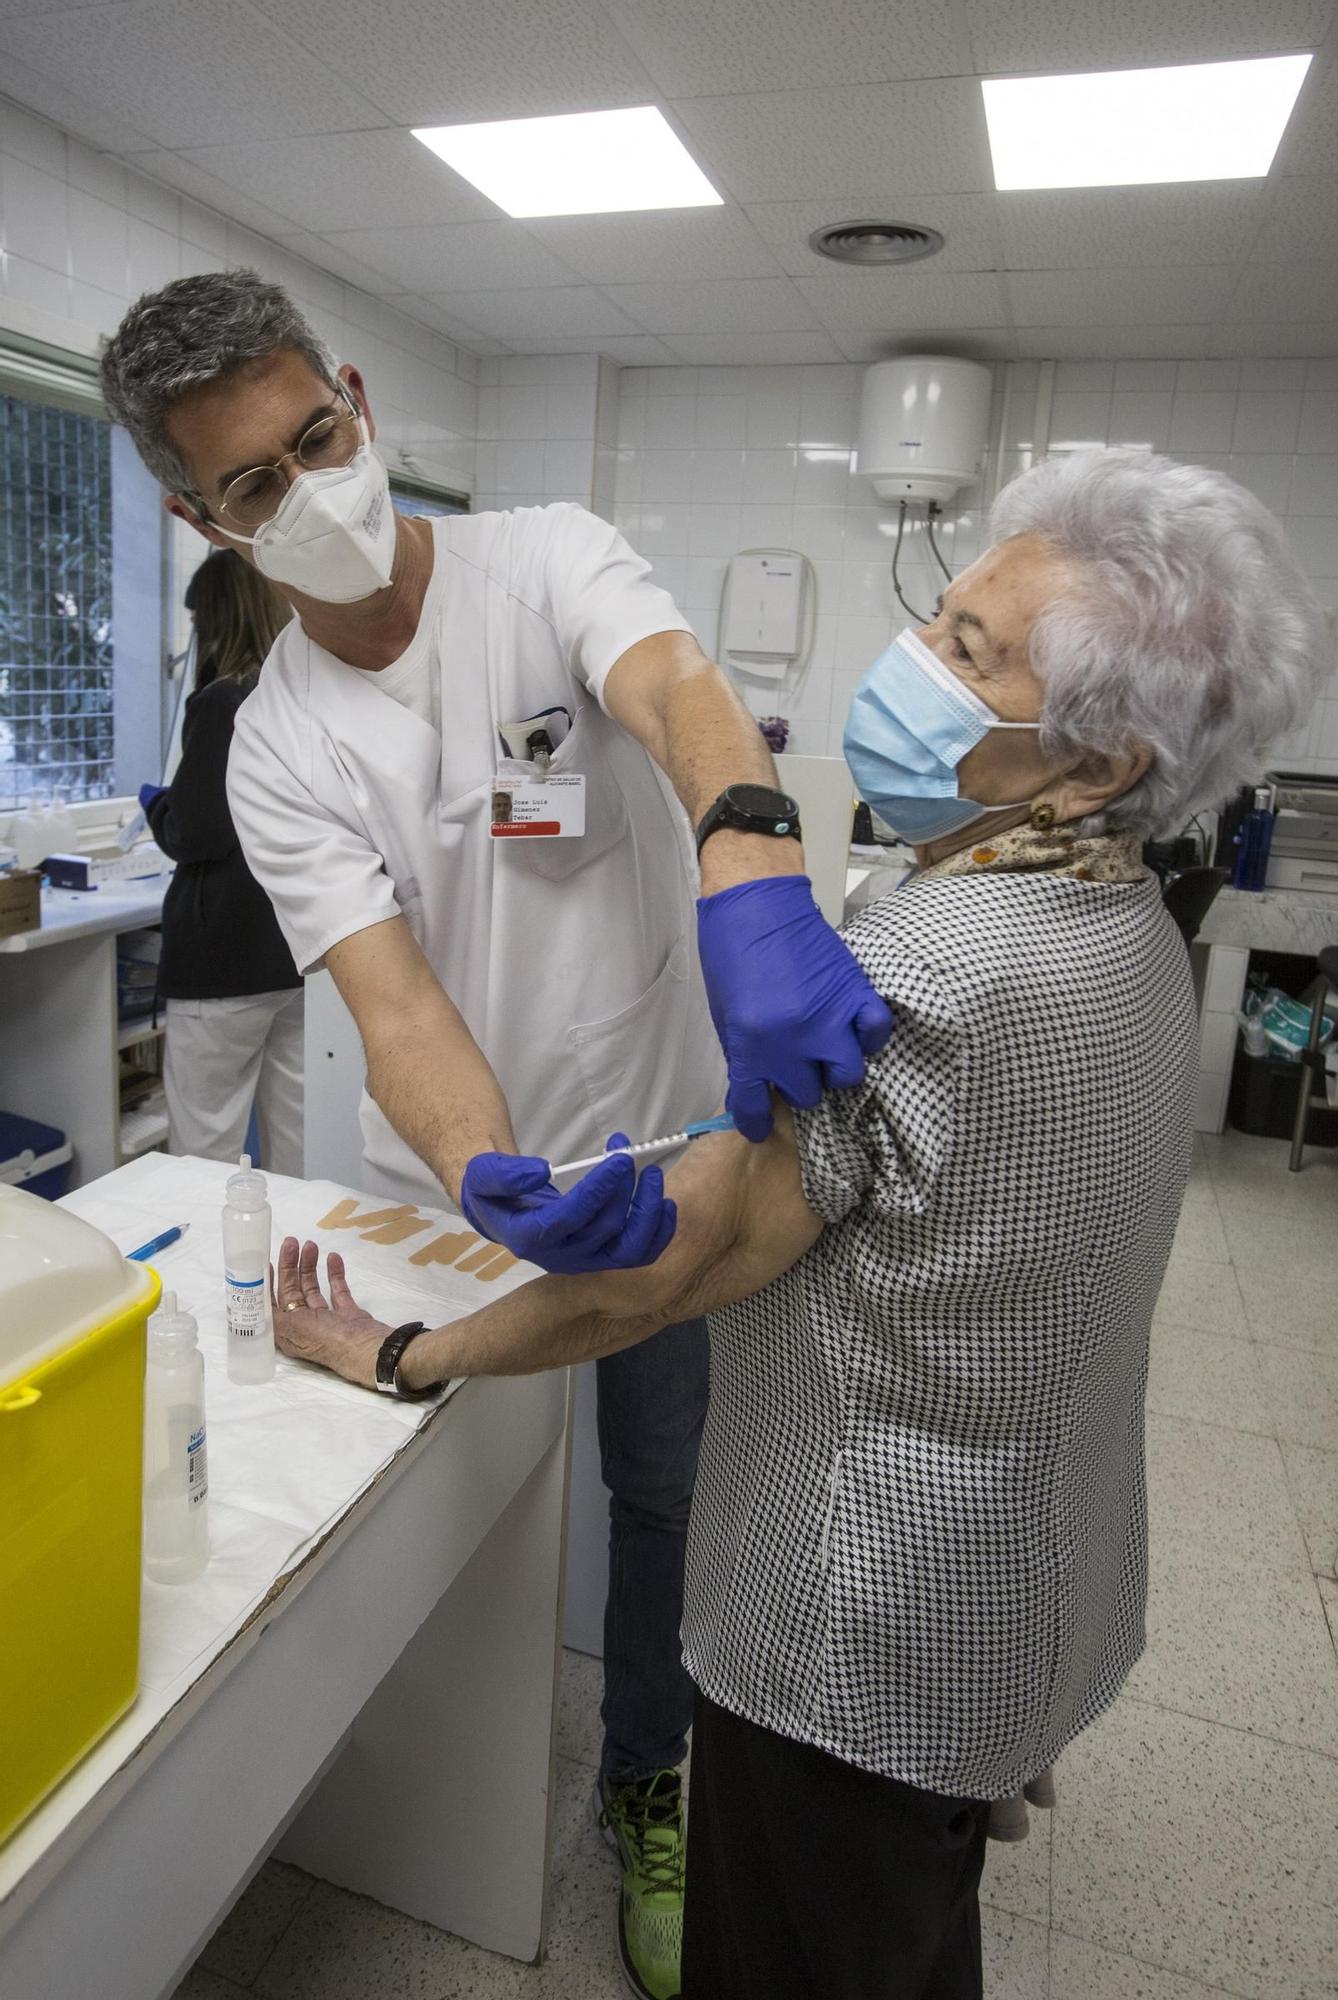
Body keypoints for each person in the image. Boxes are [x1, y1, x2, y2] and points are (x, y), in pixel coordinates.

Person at [266, 448, 1325, 1999]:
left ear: (1092, 764)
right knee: (898, 1941)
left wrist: (407, 1347)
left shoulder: (930, 967)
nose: (913, 662)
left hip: (854, 1631)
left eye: (967, 651)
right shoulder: (1137, 937)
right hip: (1021, 1587)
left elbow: (662, 1275)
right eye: (942, 615)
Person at [100, 270, 890, 2000]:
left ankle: (645, 1778)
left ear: (359, 398)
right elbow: (396, 1010)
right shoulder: (280, 741)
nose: (308, 496)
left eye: (316, 439)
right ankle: (421, 1785)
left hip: (674, 1138)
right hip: (464, 1188)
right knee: (446, 1489)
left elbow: (677, 689)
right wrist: (479, 1173)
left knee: (662, 1483)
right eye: (251, 487)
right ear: (196, 517)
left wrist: (748, 844)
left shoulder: (542, 559)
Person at [140, 548, 303, 1175]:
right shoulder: (297, 695)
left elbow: (197, 833)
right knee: (300, 1140)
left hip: (223, 961)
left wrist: (157, 807)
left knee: (204, 1152)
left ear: (217, 619)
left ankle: (210, 1273)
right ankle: (298, 1266)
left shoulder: (221, 704)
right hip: (294, 949)